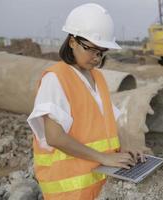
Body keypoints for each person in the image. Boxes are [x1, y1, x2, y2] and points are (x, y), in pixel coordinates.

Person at [27, 3, 145, 200]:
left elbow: (108, 123)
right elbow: (55, 137)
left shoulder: (97, 77)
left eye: (101, 52)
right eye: (91, 49)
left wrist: (125, 147)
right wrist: (103, 157)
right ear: (72, 42)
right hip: (70, 189)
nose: (97, 58)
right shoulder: (56, 79)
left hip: (99, 180)